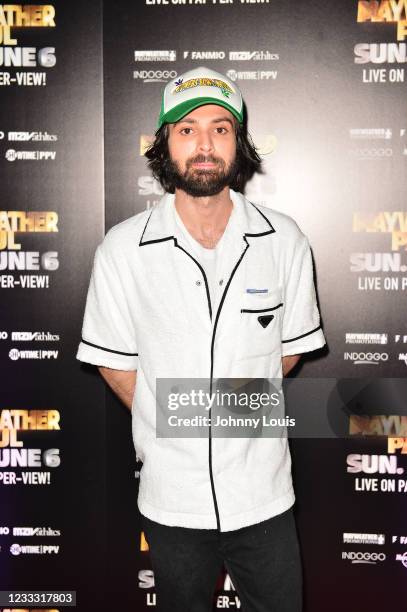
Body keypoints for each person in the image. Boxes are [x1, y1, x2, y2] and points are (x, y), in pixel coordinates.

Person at [76, 66, 326, 611]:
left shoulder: (284, 239)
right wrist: (183, 424)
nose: (205, 144)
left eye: (220, 128)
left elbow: (289, 350)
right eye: (186, 129)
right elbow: (116, 364)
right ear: (165, 144)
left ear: (240, 142)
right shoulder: (122, 249)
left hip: (264, 497)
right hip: (172, 500)